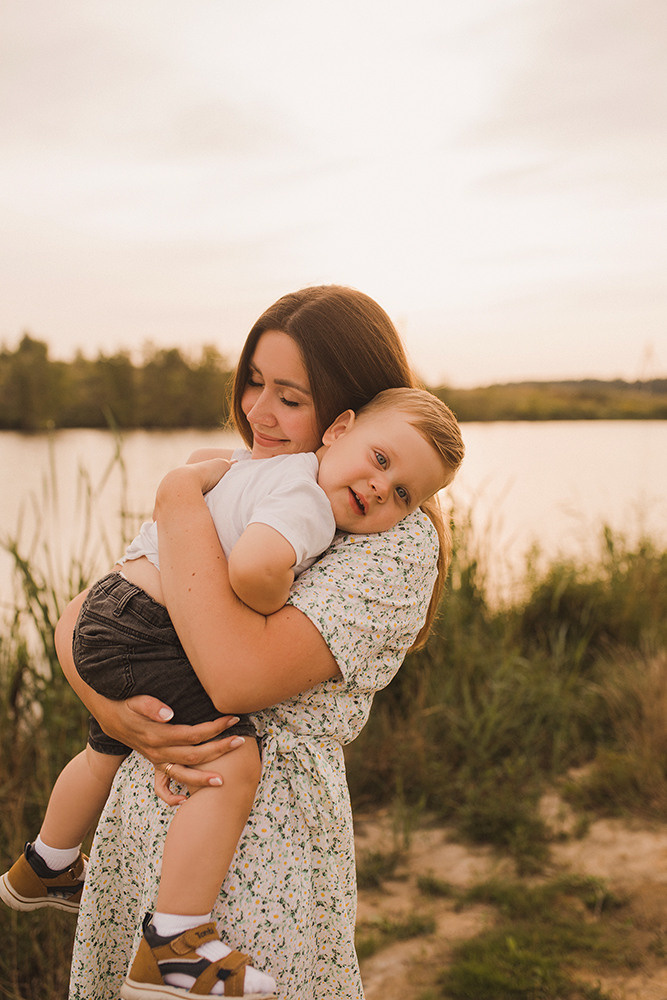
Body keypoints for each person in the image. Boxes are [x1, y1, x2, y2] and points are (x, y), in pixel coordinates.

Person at [55, 285, 461, 1000]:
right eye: (253, 382)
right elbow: (89, 612)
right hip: (145, 820)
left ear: (342, 412)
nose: (257, 412)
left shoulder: (393, 541)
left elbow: (236, 678)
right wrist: (114, 714)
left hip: (262, 847)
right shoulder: (256, 480)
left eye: (289, 396)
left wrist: (177, 495)